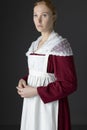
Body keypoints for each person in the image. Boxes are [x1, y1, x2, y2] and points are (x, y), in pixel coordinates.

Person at [16, 0, 77, 130]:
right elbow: (39, 73)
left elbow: (69, 83)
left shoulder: (59, 46)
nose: (38, 20)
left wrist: (36, 91)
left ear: (54, 16)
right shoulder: (35, 44)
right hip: (31, 104)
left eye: (44, 15)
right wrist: (25, 79)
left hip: (49, 106)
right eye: (35, 15)